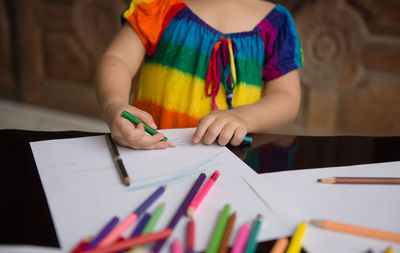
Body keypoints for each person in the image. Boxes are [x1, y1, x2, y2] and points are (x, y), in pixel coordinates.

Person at [95, 0, 303, 150]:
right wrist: (113, 104)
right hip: (150, 150)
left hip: (230, 164)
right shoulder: (158, 6)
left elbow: (286, 97)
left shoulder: (277, 24)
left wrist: (243, 117)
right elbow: (117, 60)